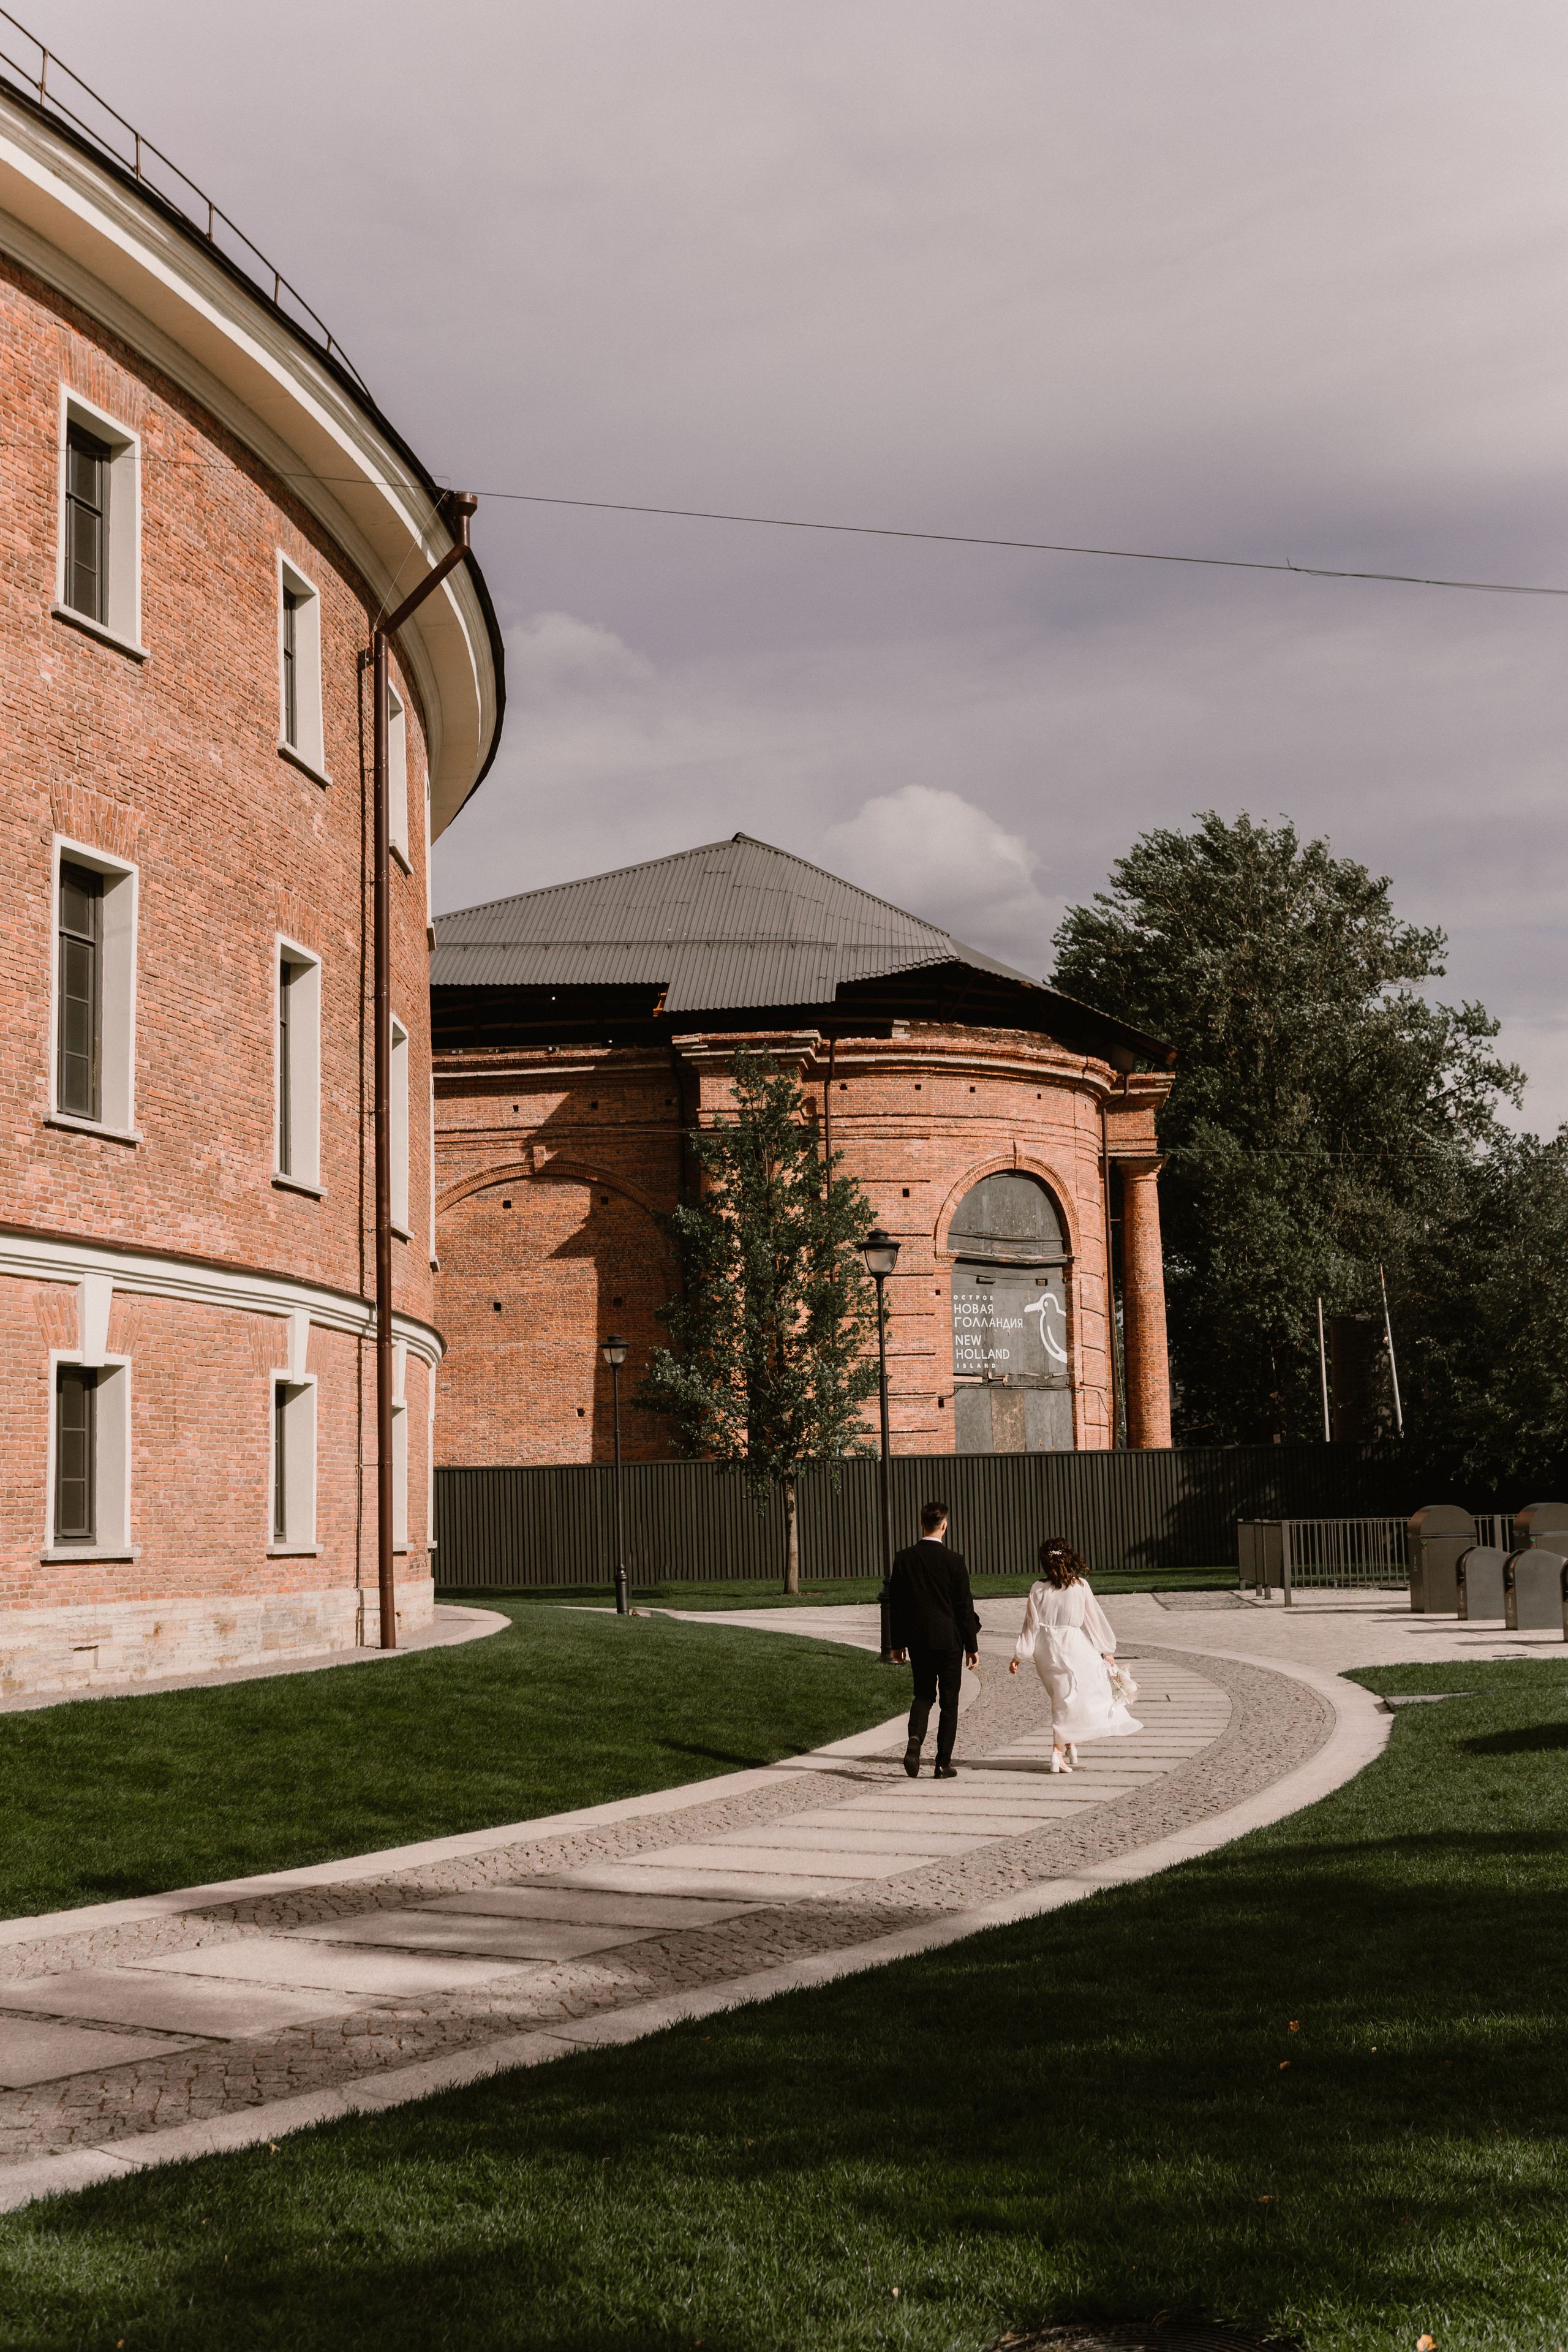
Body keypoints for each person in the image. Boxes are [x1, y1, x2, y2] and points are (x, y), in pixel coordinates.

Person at [1008, 1534, 1140, 1772]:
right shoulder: (1080, 1586)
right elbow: (1094, 1621)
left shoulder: (1038, 1588)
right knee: (1070, 1697)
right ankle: (1056, 1754)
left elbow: (1030, 1625)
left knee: (1061, 1696)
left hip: (1045, 1650)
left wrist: (1020, 1654)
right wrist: (1106, 1651)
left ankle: (1070, 1744)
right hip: (1073, 1645)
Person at [889, 1500, 980, 1779]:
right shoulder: (955, 1561)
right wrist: (972, 1647)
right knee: (949, 1701)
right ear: (945, 1525)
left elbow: (897, 1605)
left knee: (923, 1695)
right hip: (950, 1641)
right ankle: (942, 1764)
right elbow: (964, 1607)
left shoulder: (904, 1558)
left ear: (921, 1524)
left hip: (919, 1640)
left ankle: (915, 1739)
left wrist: (897, 1643)